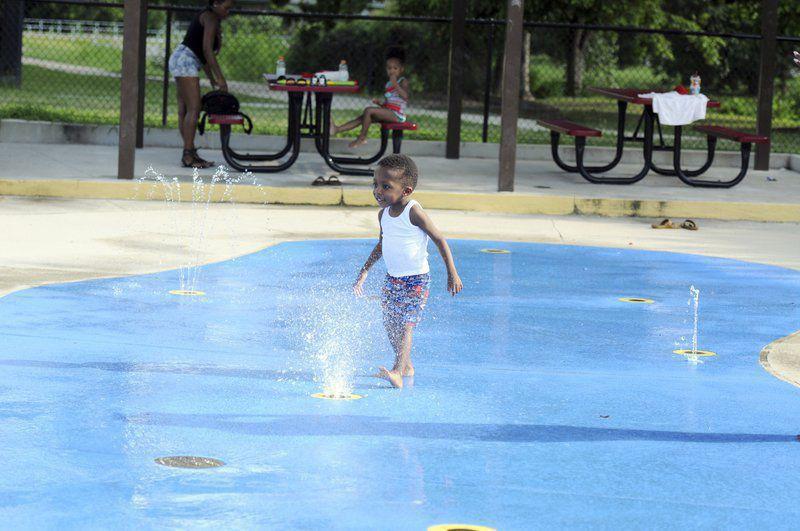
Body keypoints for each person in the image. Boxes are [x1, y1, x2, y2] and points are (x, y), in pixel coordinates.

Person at [353, 154, 463, 389]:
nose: (377, 191)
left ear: (406, 190)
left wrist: (452, 273)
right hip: (393, 278)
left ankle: (397, 371)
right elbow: (381, 245)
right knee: (390, 323)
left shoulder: (413, 212)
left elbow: (439, 239)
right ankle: (407, 365)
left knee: (406, 325)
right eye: (375, 184)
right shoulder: (383, 214)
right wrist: (364, 272)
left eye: (386, 186)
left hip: (416, 280)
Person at [168, 0, 233, 168]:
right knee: (194, 109)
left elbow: (203, 56)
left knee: (185, 110)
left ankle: (190, 152)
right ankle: (188, 155)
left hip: (181, 59)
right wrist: (221, 79)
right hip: (185, 61)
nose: (228, 12)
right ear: (216, 4)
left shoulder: (209, 17)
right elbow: (206, 50)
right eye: (227, 7)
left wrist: (211, 79)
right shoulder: (210, 17)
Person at [331, 46, 410, 149]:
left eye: (395, 68)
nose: (392, 71)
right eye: (389, 68)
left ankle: (362, 137)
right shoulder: (388, 84)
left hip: (397, 115)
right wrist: (380, 104)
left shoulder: (402, 81)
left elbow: (405, 97)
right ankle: (337, 129)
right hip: (389, 112)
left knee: (368, 110)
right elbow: (390, 103)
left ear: (401, 70)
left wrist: (396, 85)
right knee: (363, 117)